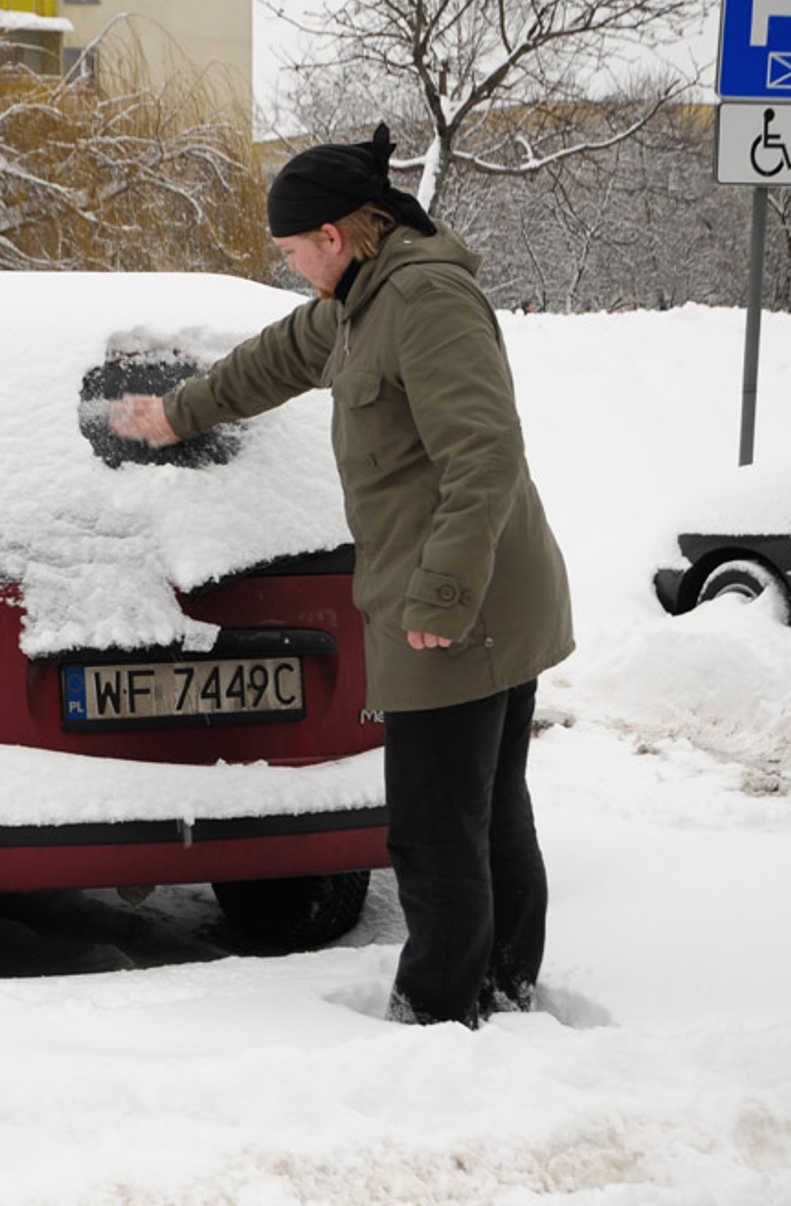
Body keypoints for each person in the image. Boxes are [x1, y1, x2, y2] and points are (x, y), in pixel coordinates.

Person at [109, 124, 573, 1027]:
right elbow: (277, 357)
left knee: (437, 829)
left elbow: (482, 454)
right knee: (486, 809)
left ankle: (439, 1013)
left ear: (335, 235)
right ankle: (504, 990)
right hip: (475, 593)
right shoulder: (364, 299)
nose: (290, 270)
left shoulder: (426, 301)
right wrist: (175, 414)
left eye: (291, 252)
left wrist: (443, 596)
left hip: (458, 602)